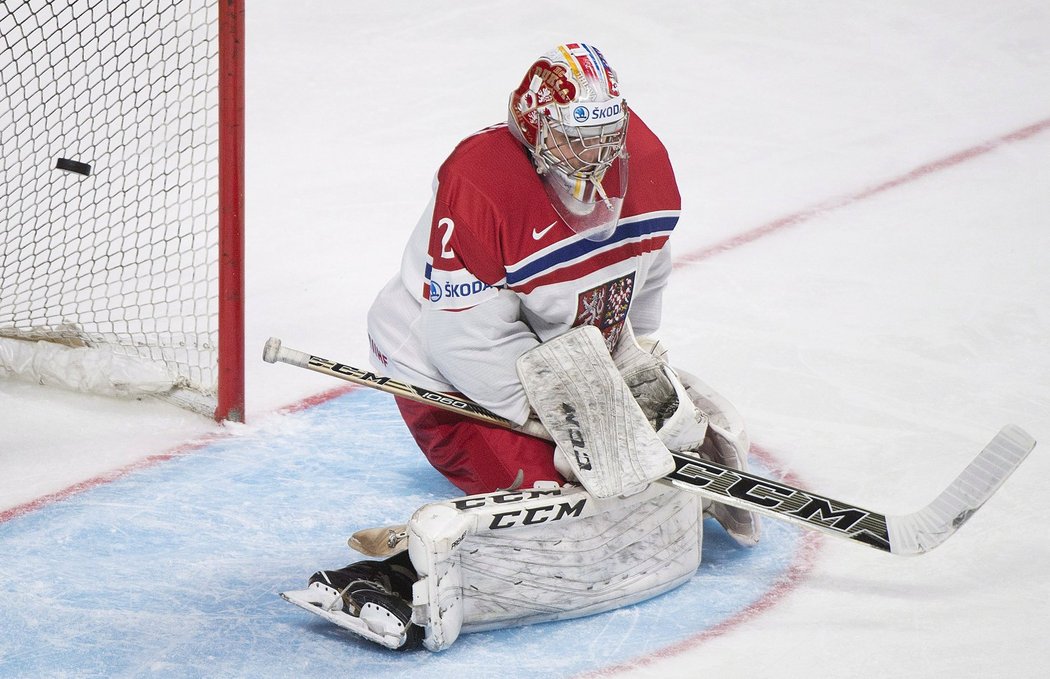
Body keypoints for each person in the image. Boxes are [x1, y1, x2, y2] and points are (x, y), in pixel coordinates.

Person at [287, 42, 759, 652]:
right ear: (535, 129)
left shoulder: (643, 161)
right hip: (449, 382)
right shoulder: (482, 184)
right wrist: (568, 429)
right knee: (567, 511)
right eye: (573, 139)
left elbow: (646, 271)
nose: (595, 154)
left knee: (659, 448)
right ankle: (395, 578)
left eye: (606, 134)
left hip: (564, 361)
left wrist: (627, 370)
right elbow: (462, 342)